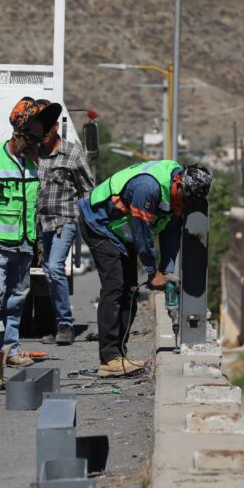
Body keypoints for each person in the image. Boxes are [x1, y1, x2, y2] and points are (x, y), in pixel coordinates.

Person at [78, 161, 212, 377]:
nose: (182, 205)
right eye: (183, 199)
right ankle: (109, 359)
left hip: (121, 232)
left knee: (130, 290)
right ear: (178, 183)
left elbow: (171, 233)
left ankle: (119, 355)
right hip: (99, 224)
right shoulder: (147, 188)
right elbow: (142, 231)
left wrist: (166, 269)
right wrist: (152, 272)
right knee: (115, 287)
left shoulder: (179, 196)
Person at [0, 97, 62, 367]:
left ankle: (10, 350)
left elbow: (36, 205)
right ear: (18, 134)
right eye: (31, 141)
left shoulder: (33, 164)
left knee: (16, 300)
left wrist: (39, 242)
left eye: (37, 142)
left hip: (24, 246)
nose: (34, 147)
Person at [35, 100, 95, 345]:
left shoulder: (72, 153)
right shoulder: (34, 154)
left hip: (65, 220)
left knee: (55, 267)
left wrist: (86, 221)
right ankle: (55, 322)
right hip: (42, 223)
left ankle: (65, 325)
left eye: (46, 130)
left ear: (56, 128)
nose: (42, 135)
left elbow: (87, 189)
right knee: (48, 273)